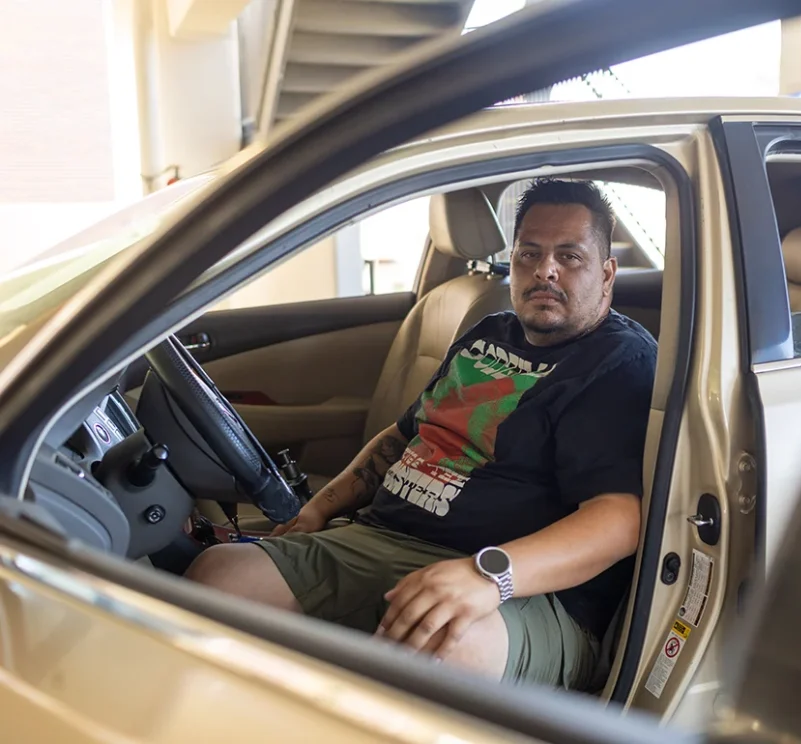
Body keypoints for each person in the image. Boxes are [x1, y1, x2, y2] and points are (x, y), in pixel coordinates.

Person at [186, 178, 657, 691]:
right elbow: (402, 434)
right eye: (529, 253)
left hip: (521, 593)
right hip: (383, 539)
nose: (546, 269)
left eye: (570, 256)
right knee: (219, 577)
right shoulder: (489, 332)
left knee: (441, 646)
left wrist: (486, 574)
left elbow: (618, 519)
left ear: (607, 273)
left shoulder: (618, 363)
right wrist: (321, 507)